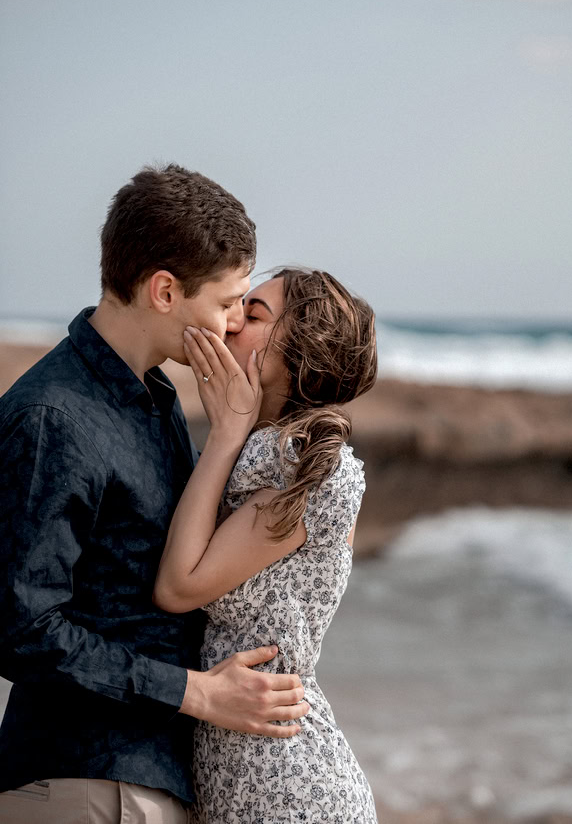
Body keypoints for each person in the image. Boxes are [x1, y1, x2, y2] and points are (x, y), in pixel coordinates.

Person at [0, 165, 309, 824]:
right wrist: (195, 693)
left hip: (146, 781)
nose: (232, 325)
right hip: (82, 783)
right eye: (227, 303)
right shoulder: (51, 416)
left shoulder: (159, 398)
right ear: (165, 290)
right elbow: (18, 629)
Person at [154, 267, 379, 823]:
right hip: (245, 770)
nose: (230, 323)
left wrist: (226, 433)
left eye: (252, 315)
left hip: (288, 785)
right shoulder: (267, 456)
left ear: (303, 350)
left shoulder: (304, 469)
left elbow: (179, 586)